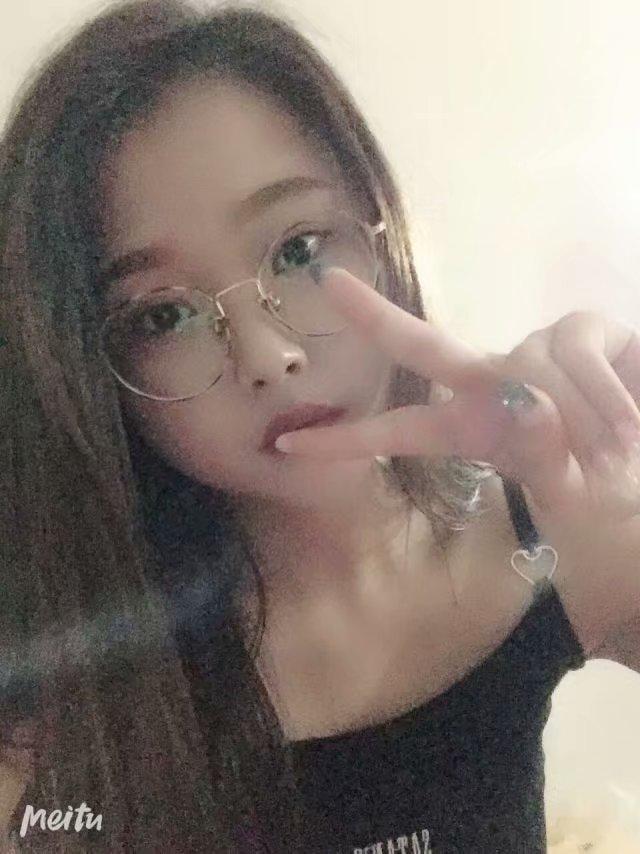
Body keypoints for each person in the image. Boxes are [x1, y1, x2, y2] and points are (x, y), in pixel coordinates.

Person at [0, 1, 639, 851]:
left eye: (299, 250)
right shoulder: (66, 689)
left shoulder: (541, 533)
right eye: (162, 316)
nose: (269, 357)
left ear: (382, 231)